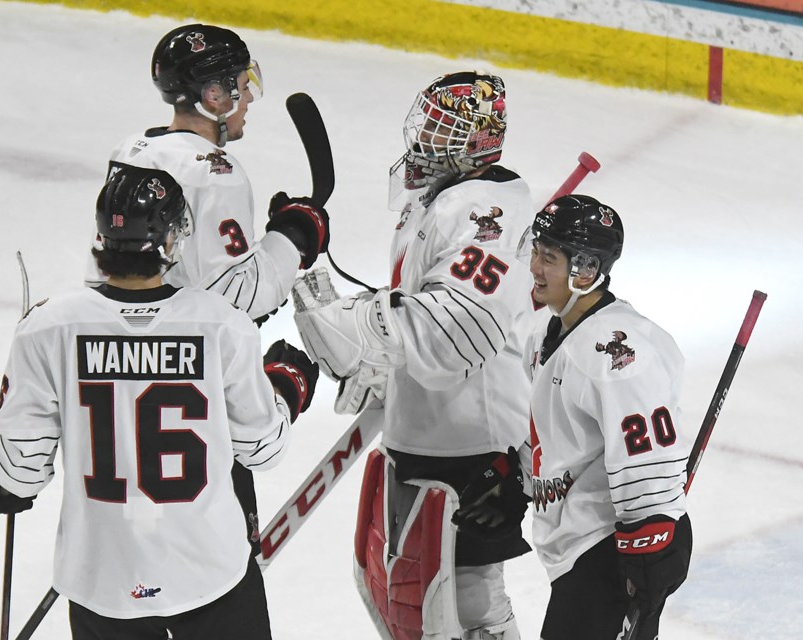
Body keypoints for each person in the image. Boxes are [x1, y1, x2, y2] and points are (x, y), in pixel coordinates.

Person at [0, 165, 319, 640]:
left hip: (103, 582)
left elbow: (19, 471)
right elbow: (262, 449)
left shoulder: (49, 327)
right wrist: (286, 387)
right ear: (174, 239)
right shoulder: (222, 326)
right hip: (210, 576)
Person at [292, 71, 546, 640]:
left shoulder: (489, 215)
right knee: (406, 594)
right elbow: (415, 303)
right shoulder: (436, 198)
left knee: (472, 595)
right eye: (427, 123)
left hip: (474, 442)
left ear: (476, 140)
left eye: (441, 128)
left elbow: (461, 328)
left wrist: (361, 328)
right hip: (419, 430)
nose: (426, 137)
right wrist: (383, 358)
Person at [84, 23, 332, 556]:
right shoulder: (213, 169)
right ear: (213, 95)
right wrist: (294, 236)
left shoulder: (132, 149)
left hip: (120, 386)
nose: (247, 98)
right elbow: (239, 297)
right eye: (240, 85)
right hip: (191, 400)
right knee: (222, 574)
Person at [465, 194, 691, 639]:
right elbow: (561, 436)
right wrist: (519, 482)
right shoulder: (550, 335)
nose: (533, 267)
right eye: (535, 251)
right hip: (577, 554)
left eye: (549, 257)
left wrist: (652, 539)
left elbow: (646, 458)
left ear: (586, 270)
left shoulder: (618, 351)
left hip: (610, 553)